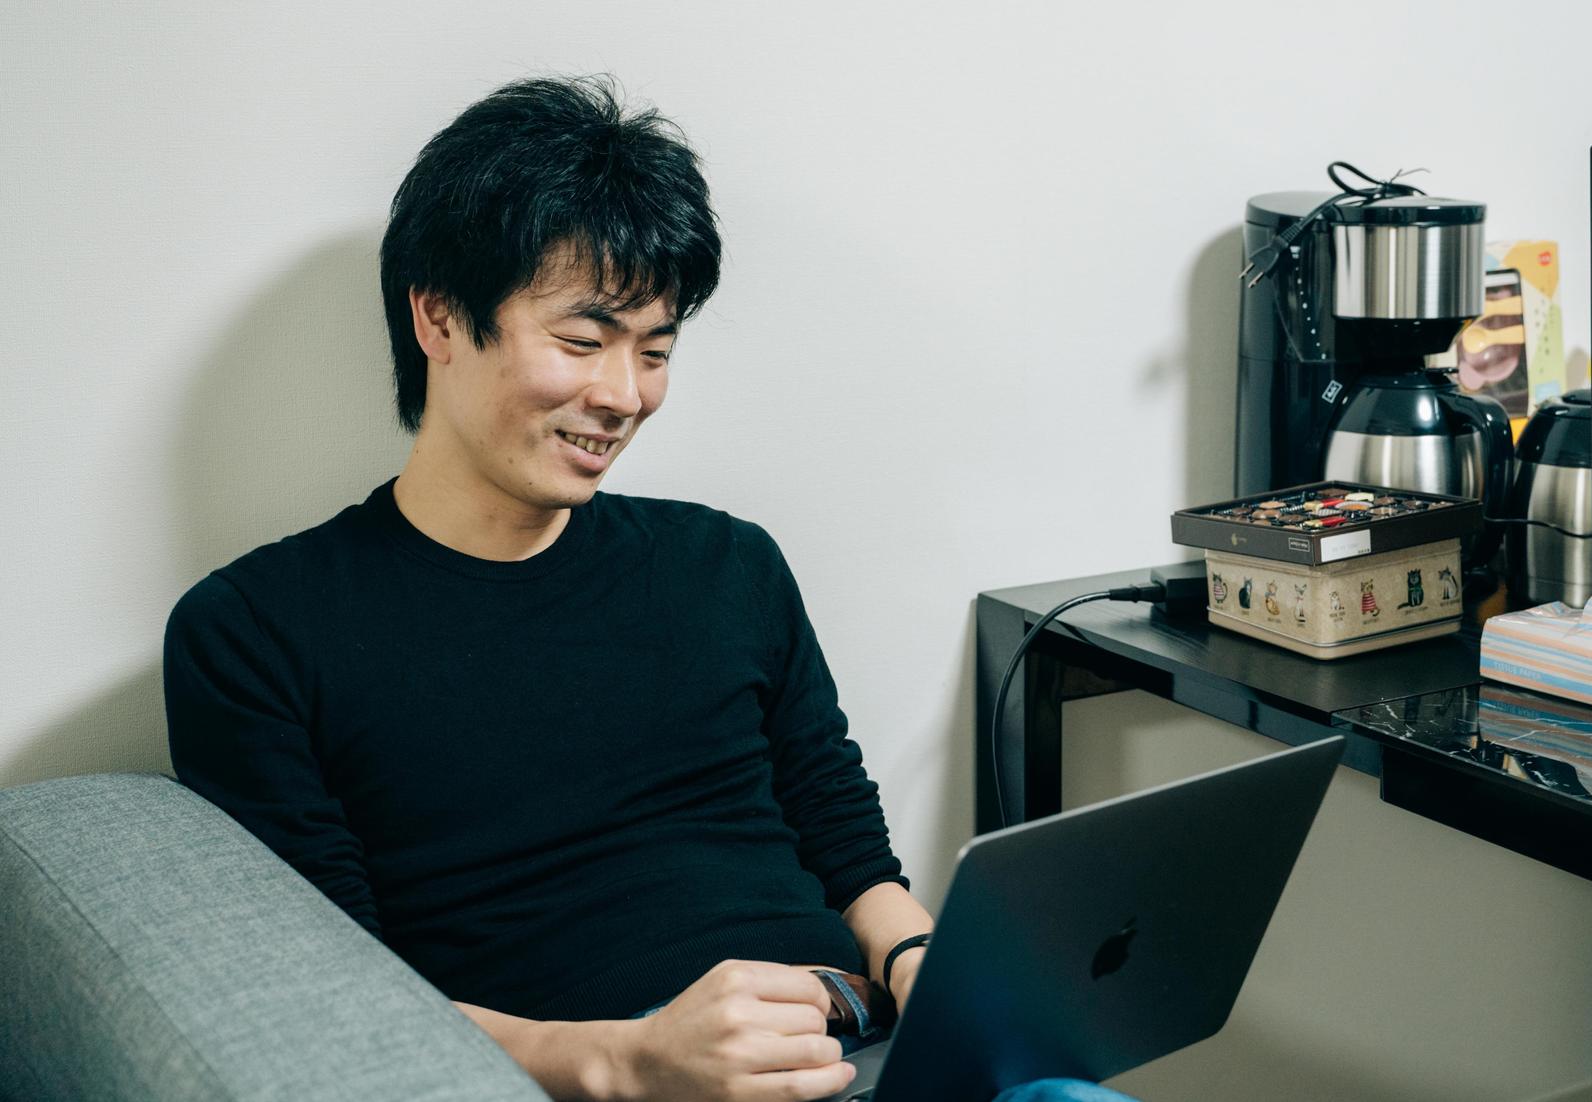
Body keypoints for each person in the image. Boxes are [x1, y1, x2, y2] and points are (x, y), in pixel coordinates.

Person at [162, 75, 1140, 1102]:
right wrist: (625, 1061)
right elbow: (336, 1000)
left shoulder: (727, 563)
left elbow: (845, 840)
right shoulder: (256, 634)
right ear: (439, 317)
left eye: (655, 351)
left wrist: (926, 967)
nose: (624, 395)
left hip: (867, 1044)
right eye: (583, 342)